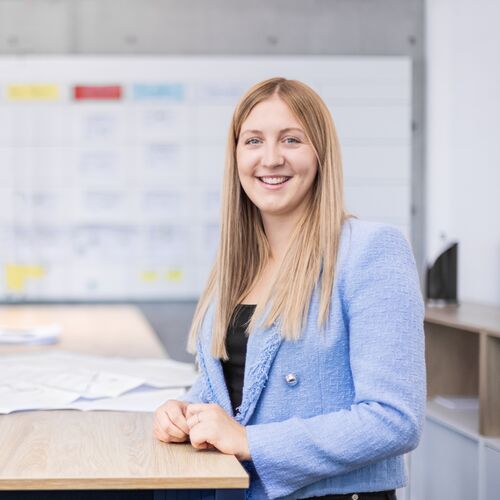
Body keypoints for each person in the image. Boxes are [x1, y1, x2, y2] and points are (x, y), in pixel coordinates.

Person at [153, 77, 426, 500]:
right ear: (236, 155)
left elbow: (394, 420)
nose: (271, 158)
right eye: (254, 140)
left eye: (292, 140)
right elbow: (233, 387)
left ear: (320, 154)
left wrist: (250, 443)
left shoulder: (371, 250)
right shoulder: (237, 263)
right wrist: (185, 412)